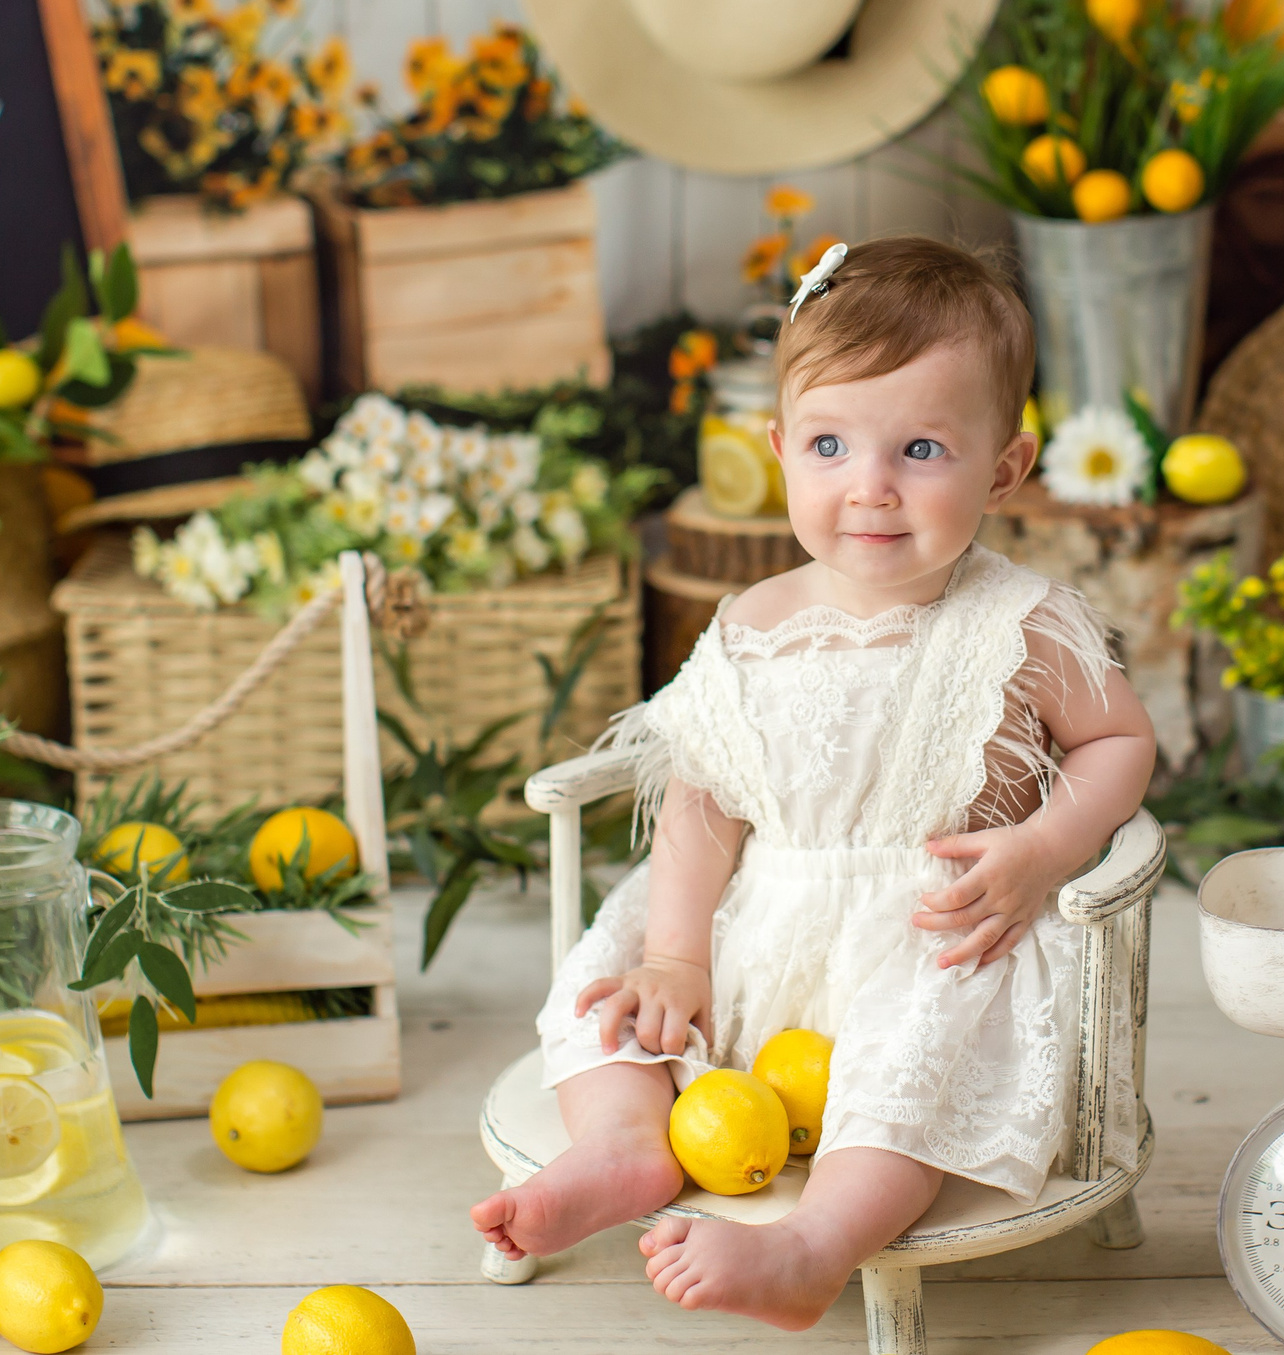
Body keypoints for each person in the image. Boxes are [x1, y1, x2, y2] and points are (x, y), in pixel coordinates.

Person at [470, 234, 1157, 1330]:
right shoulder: (752, 624)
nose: (870, 490)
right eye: (832, 445)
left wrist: (1042, 850)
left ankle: (814, 1245)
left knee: (911, 1054)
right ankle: (620, 1150)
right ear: (783, 450)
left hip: (930, 930)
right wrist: (674, 955)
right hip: (758, 923)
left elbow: (1119, 744)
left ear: (1005, 467)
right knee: (608, 998)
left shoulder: (1020, 623)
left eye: (921, 448)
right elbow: (704, 795)